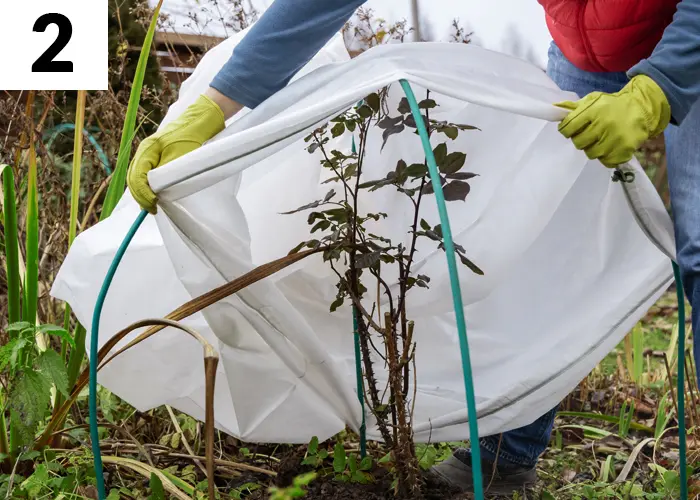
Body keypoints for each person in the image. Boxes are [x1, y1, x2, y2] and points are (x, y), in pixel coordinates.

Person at [126, 0, 700, 494]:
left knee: (698, 246)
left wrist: (660, 88)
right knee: (543, 226)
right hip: (589, 47)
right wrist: (219, 105)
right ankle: (505, 457)